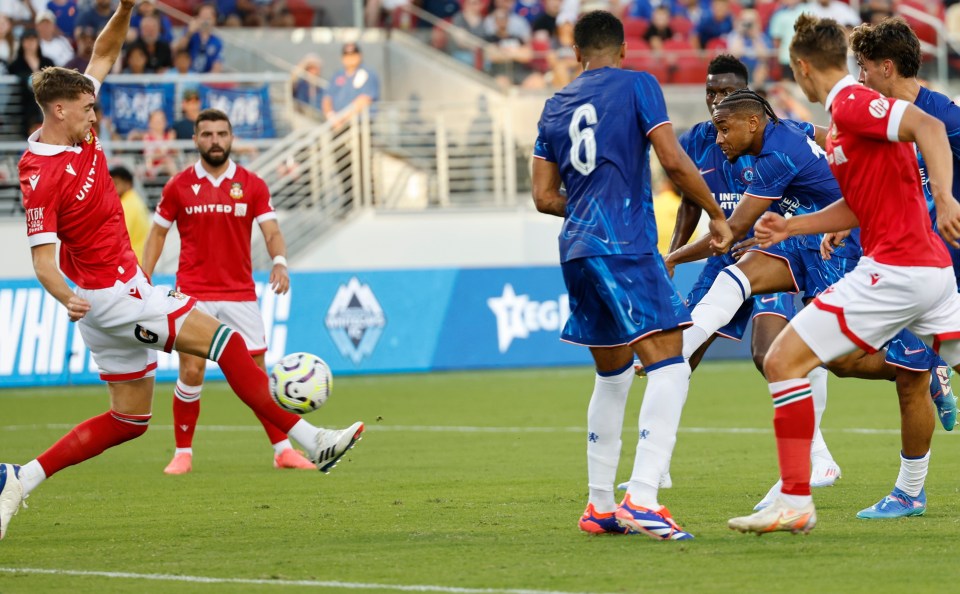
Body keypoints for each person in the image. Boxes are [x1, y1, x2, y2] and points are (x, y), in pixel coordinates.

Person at [0, 0, 364, 542]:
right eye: (85, 110)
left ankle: (17, 479)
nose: (93, 117)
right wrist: (65, 294)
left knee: (129, 420)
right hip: (113, 297)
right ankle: (311, 441)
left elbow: (104, 50)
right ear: (57, 110)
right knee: (227, 345)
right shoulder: (39, 175)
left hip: (115, 297)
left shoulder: (78, 127)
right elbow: (42, 262)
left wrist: (124, 7)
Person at [726, 13, 960, 535]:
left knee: (783, 359)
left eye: (794, 71)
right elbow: (858, 205)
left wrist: (944, 197)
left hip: (897, 269)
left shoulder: (852, 103)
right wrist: (792, 227)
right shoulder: (846, 120)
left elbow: (931, 126)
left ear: (803, 67)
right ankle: (799, 497)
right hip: (932, 273)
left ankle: (794, 500)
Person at [531, 10, 733, 540]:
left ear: (577, 55)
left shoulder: (554, 105)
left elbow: (543, 196)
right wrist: (716, 213)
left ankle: (599, 506)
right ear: (624, 50)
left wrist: (587, 204)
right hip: (625, 243)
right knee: (671, 366)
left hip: (576, 248)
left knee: (614, 375)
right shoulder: (639, 84)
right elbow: (672, 159)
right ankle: (642, 499)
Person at [641, 55, 841, 492]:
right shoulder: (700, 140)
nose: (717, 100)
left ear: (749, 104)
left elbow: (831, 143)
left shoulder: (777, 140)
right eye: (711, 92)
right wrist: (672, 254)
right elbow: (691, 205)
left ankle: (818, 454)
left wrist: (674, 259)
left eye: (726, 92)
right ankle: (655, 463)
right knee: (682, 353)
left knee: (770, 355)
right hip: (725, 251)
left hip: (775, 245)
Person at [141, 108, 317, 474]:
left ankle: (283, 450)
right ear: (195, 139)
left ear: (231, 137)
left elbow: (271, 231)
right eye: (207, 134)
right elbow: (157, 233)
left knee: (256, 376)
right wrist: (143, 276)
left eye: (222, 134)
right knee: (191, 371)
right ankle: (183, 453)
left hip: (240, 294)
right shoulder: (178, 185)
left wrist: (280, 261)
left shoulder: (252, 184)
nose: (215, 141)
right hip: (193, 292)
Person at [841, 16, 960, 518]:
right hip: (900, 267)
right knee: (846, 360)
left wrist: (947, 200)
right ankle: (911, 490)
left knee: (859, 361)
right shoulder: (877, 120)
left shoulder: (944, 119)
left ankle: (910, 490)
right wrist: (840, 225)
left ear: (887, 66)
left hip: (942, 270)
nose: (860, 78)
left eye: (865, 67)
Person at [322, 42, 380, 130]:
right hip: (337, 125)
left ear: (359, 55)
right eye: (347, 55)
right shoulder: (338, 75)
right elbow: (327, 98)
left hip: (358, 125)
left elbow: (365, 99)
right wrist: (331, 116)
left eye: (353, 55)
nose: (350, 58)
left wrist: (342, 118)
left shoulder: (366, 73)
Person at [110, 165, 150, 263]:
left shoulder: (126, 205)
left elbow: (117, 237)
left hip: (131, 263)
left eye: (116, 183)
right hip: (139, 260)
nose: (112, 188)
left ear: (128, 184)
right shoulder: (135, 200)